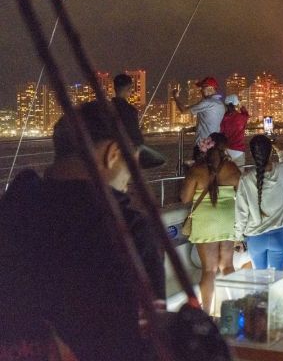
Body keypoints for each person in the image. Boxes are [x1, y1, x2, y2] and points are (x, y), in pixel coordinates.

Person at [0, 101, 165, 360]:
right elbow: (146, 342)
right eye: (132, 166)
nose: (130, 179)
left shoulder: (13, 209)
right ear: (113, 154)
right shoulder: (129, 230)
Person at [180, 133, 240, 314]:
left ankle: (206, 313)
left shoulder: (196, 170)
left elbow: (184, 198)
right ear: (225, 149)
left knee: (209, 270)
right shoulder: (232, 168)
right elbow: (242, 192)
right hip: (228, 218)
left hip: (205, 220)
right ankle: (236, 308)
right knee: (228, 266)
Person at [235, 135, 283, 270]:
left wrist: (238, 237)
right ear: (271, 151)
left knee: (260, 280)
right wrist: (281, 152)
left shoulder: (246, 179)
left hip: (255, 238)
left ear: (252, 153)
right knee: (278, 280)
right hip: (280, 235)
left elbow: (241, 212)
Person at [111, 73, 166, 168]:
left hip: (111, 150)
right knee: (160, 160)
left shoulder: (105, 108)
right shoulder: (129, 110)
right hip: (125, 151)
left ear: (114, 88)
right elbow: (136, 139)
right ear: (129, 89)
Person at [172, 76, 225, 156]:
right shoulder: (221, 104)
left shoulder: (207, 103)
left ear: (210, 88)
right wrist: (194, 128)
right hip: (214, 143)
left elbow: (183, 110)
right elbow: (209, 122)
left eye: (203, 87)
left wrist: (175, 97)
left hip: (203, 144)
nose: (200, 90)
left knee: (197, 167)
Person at [220, 94, 250, 169]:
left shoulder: (223, 118)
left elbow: (221, 133)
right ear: (236, 104)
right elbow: (246, 115)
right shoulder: (241, 117)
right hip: (238, 150)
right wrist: (241, 106)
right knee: (239, 175)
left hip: (226, 150)